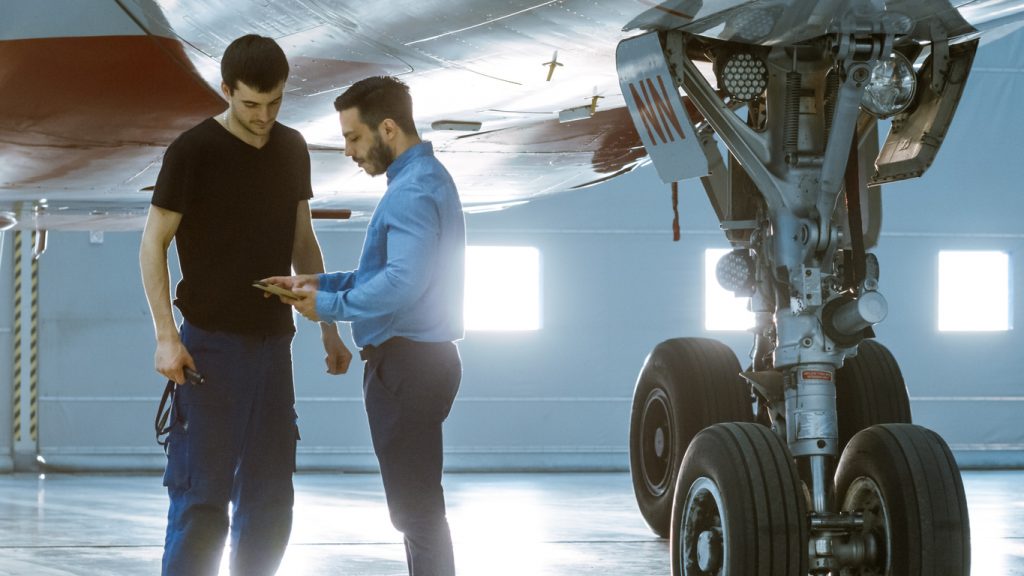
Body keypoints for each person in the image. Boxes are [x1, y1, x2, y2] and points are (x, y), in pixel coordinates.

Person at [139, 34, 352, 576]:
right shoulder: (192, 151)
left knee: (271, 501)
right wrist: (167, 336)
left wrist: (328, 321)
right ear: (227, 91)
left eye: (274, 102)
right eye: (251, 104)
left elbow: (303, 240)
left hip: (273, 348)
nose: (263, 117)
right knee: (203, 502)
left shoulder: (291, 147)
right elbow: (152, 244)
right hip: (208, 350)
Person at [264, 76, 466, 576]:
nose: (349, 150)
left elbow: (403, 282)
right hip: (420, 360)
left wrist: (329, 305)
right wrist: (321, 280)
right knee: (416, 506)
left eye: (354, 137)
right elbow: (393, 272)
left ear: (389, 128)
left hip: (407, 364)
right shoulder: (423, 180)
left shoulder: (412, 191)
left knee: (415, 509)